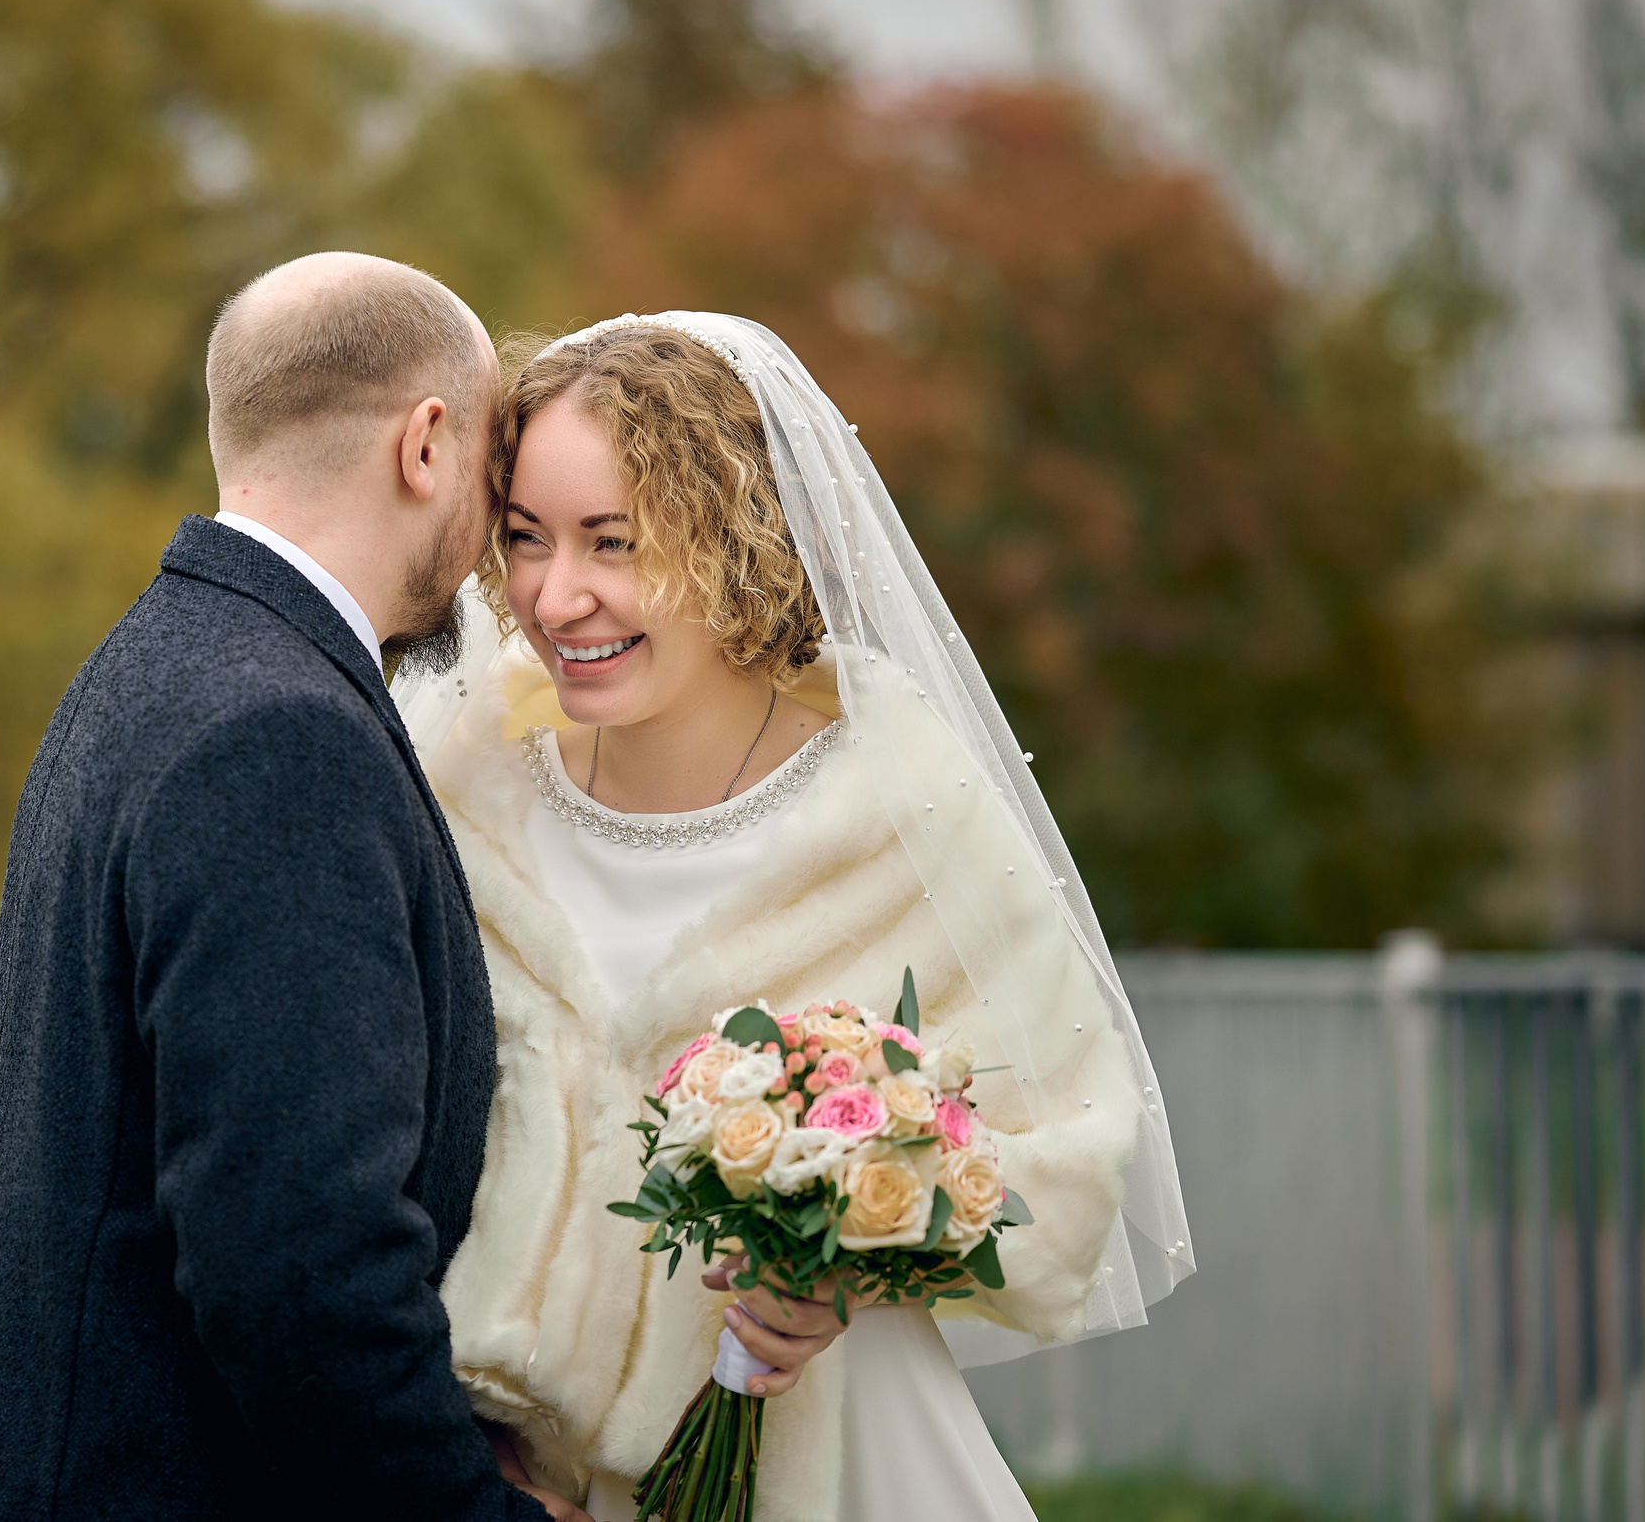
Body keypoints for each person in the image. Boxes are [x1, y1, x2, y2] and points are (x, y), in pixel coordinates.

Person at [395, 314, 1193, 1522]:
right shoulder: (463, 784)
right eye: (524, 538)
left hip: (827, 1464)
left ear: (732, 537)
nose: (557, 595)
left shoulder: (896, 810)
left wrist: (853, 1261)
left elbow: (1068, 1157)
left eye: (614, 541)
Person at [0, 254, 569, 1522]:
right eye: (494, 472)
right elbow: (300, 1264)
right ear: (426, 444)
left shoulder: (153, 661)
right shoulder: (282, 734)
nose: (494, 535)